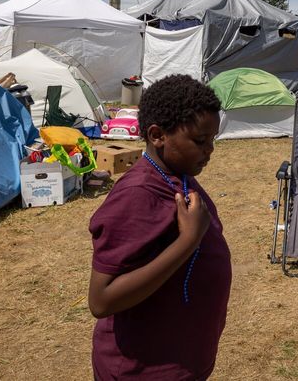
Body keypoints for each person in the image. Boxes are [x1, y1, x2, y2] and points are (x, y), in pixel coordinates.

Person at [88, 75, 231, 380]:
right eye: (200, 141)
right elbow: (101, 301)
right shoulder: (138, 194)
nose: (210, 150)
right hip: (141, 371)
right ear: (157, 135)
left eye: (212, 140)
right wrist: (188, 241)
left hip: (178, 359)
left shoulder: (178, 176)